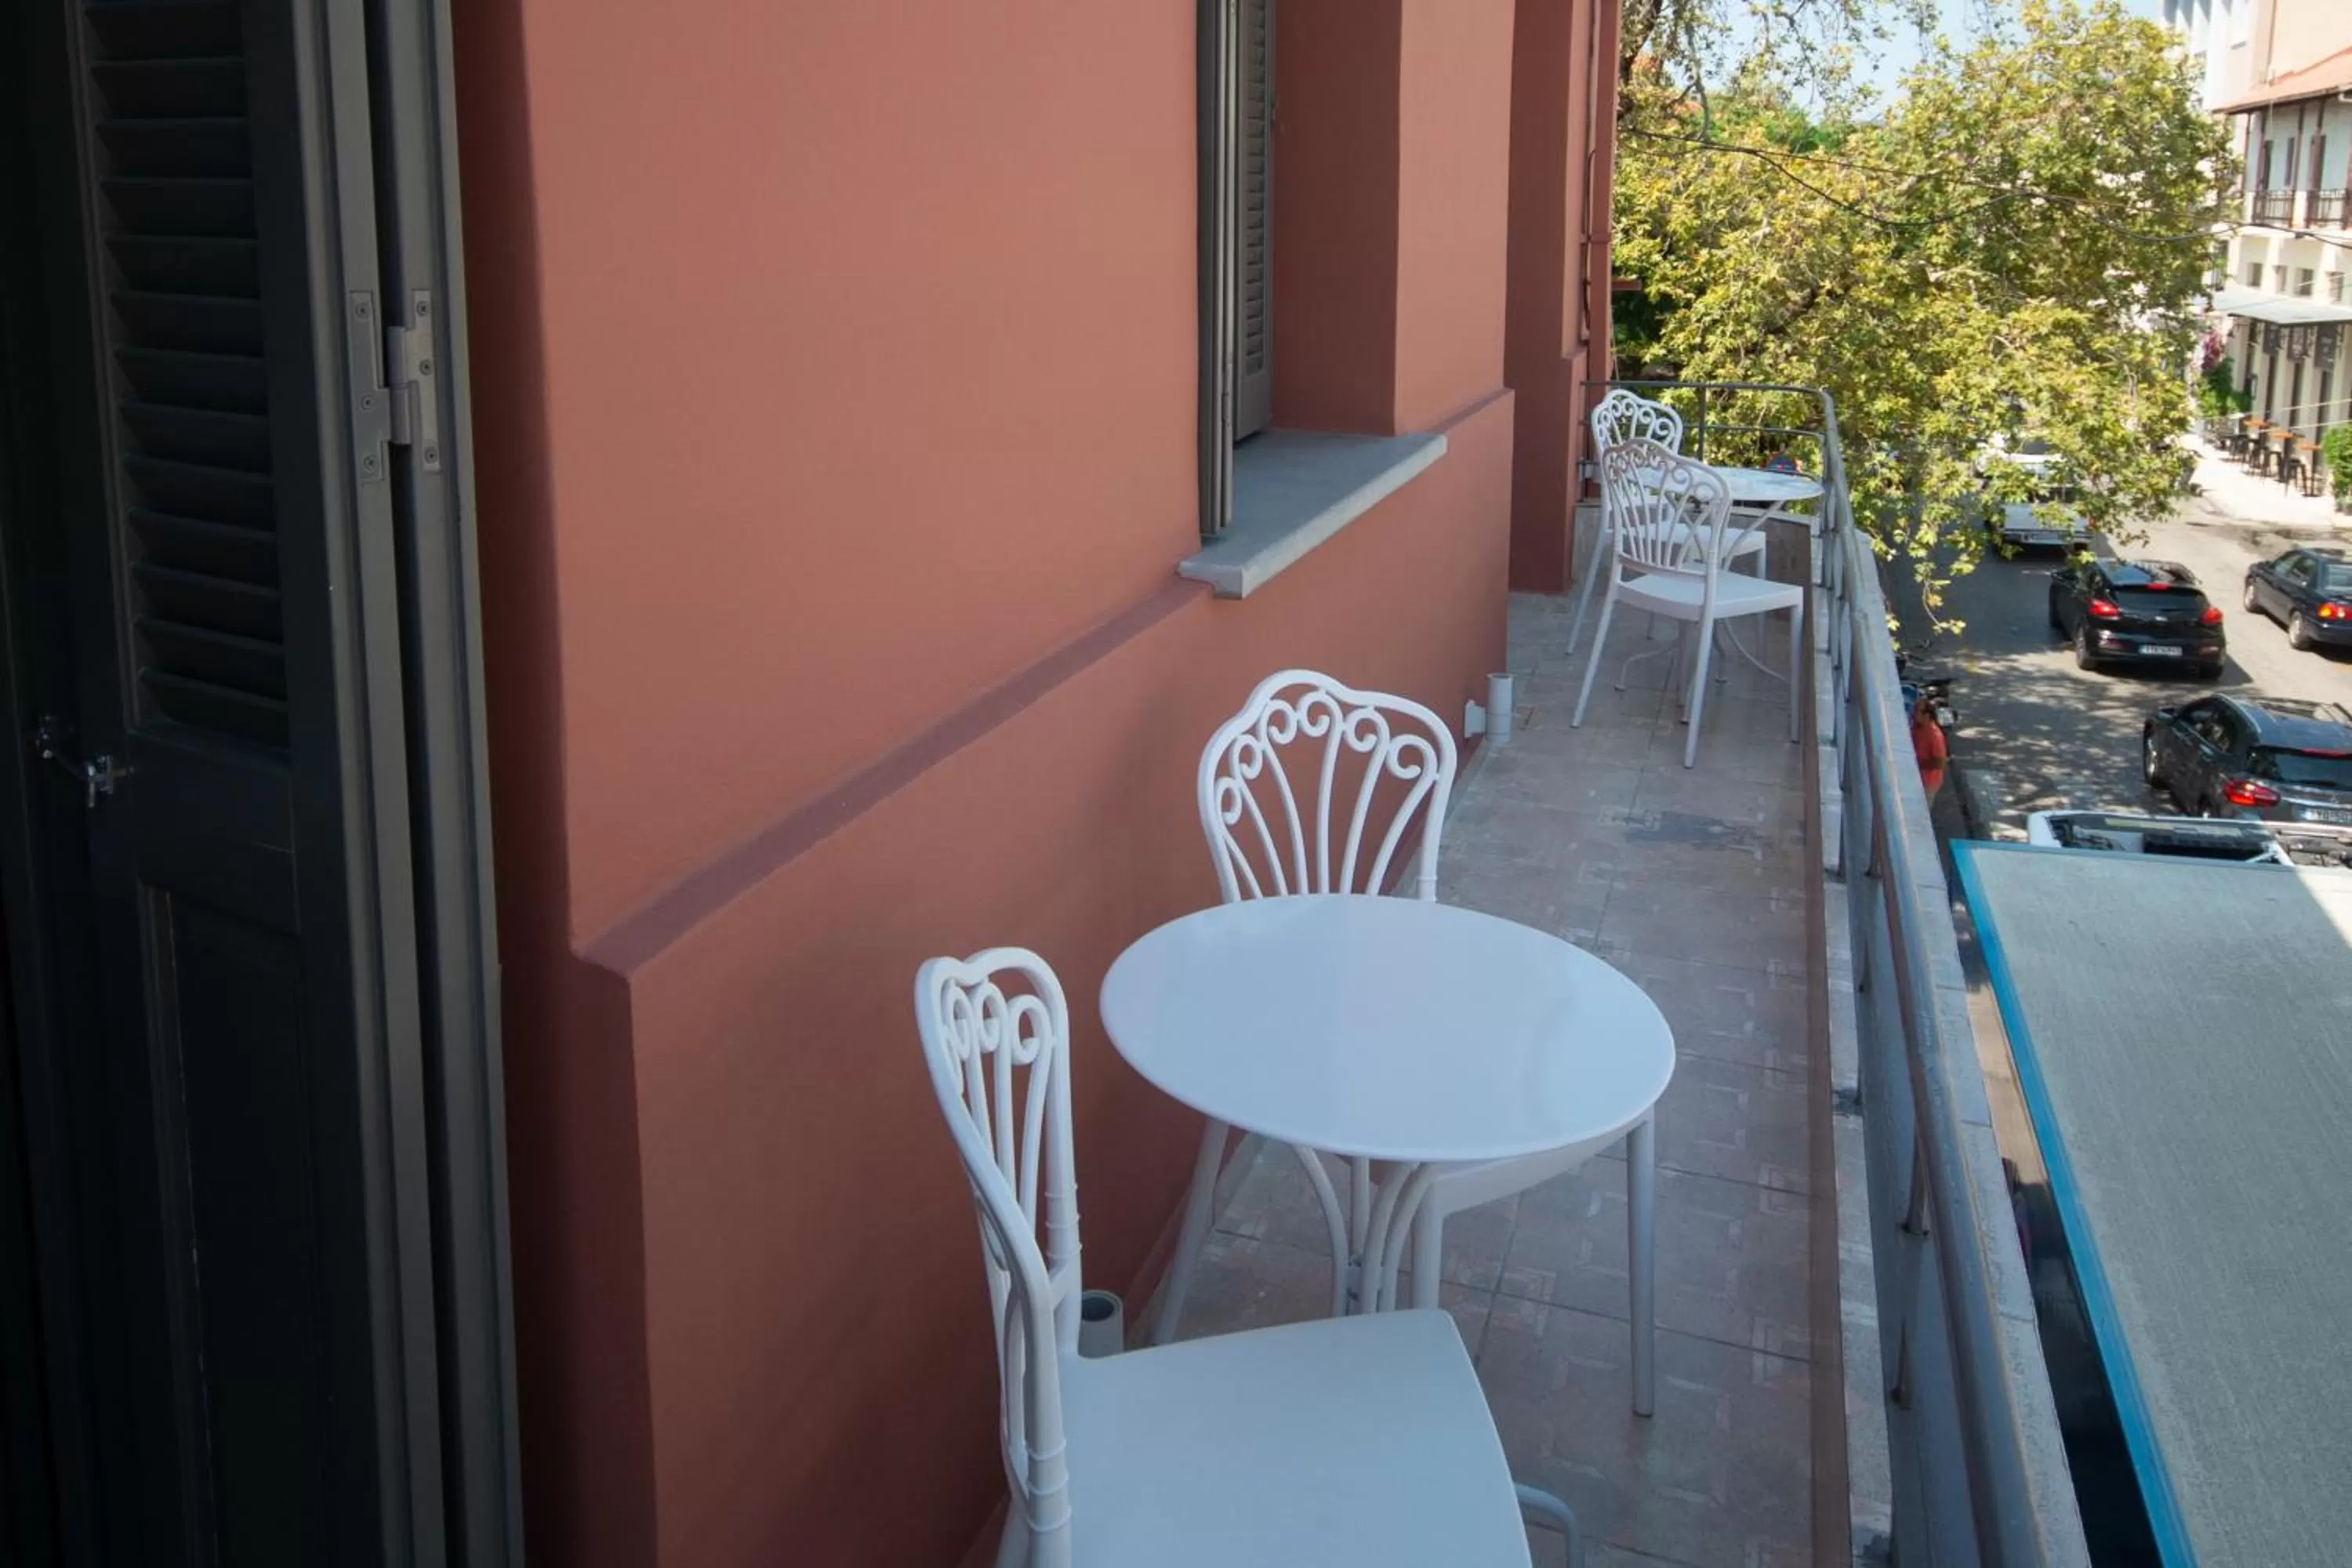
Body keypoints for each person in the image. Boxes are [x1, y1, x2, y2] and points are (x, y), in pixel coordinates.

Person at [1911, 695, 1948, 798]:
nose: (1913, 713)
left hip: (1928, 782)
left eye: (1917, 711)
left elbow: (1940, 763)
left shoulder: (1934, 735)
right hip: (1918, 778)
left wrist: (1917, 764)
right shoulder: (1918, 726)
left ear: (1926, 715)